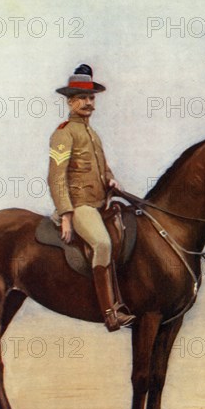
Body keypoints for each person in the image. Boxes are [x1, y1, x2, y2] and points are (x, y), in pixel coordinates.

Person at [48, 64, 136, 332]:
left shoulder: (92, 134)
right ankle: (110, 313)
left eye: (91, 98)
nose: (88, 103)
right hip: (81, 206)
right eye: (82, 98)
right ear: (70, 101)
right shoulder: (64, 133)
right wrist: (66, 214)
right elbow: (56, 176)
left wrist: (110, 179)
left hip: (101, 203)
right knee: (102, 243)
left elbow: (101, 166)